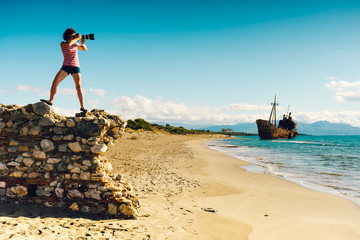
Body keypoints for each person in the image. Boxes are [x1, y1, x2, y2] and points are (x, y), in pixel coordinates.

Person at [41, 28, 88, 112]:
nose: (74, 35)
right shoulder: (63, 43)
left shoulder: (75, 43)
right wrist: (77, 38)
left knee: (78, 86)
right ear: (68, 35)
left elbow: (84, 49)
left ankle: (82, 106)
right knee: (54, 82)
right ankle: (51, 100)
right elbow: (69, 44)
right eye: (73, 34)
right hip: (66, 66)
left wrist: (82, 43)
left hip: (75, 66)